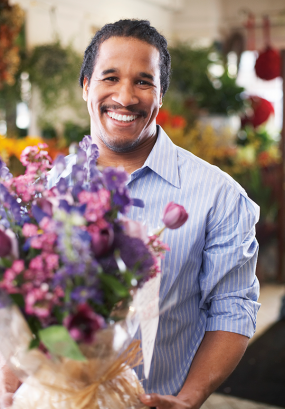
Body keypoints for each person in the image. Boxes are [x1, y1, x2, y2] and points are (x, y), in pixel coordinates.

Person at [0, 19, 260, 409]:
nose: (125, 96)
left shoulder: (218, 196)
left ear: (160, 95)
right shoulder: (43, 191)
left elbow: (233, 308)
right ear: (86, 85)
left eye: (143, 81)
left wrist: (189, 400)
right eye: (110, 77)